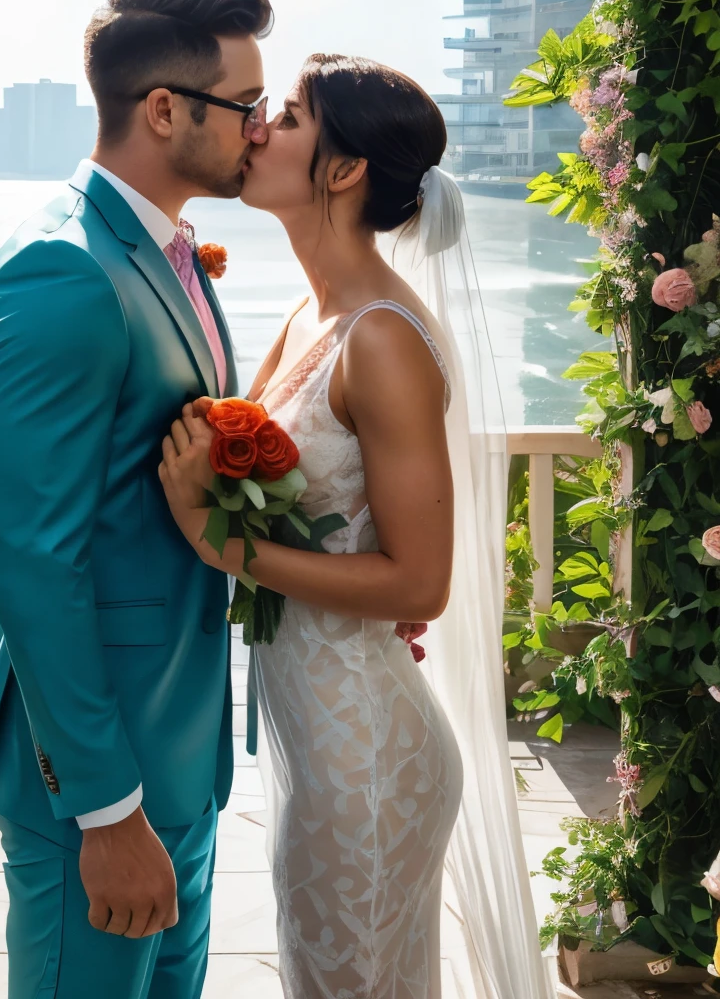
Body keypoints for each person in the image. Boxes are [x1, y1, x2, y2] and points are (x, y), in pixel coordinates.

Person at [158, 55, 554, 999]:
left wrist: (225, 548)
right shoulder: (311, 313)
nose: (255, 128)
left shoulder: (380, 336)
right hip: (319, 734)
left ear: (341, 171)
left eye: (285, 117)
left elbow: (422, 585)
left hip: (366, 756)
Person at [0, 0, 272, 999]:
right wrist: (105, 811)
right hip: (99, 772)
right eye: (246, 107)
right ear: (165, 108)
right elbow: (28, 559)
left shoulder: (159, 250)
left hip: (177, 746)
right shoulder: (61, 273)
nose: (260, 131)